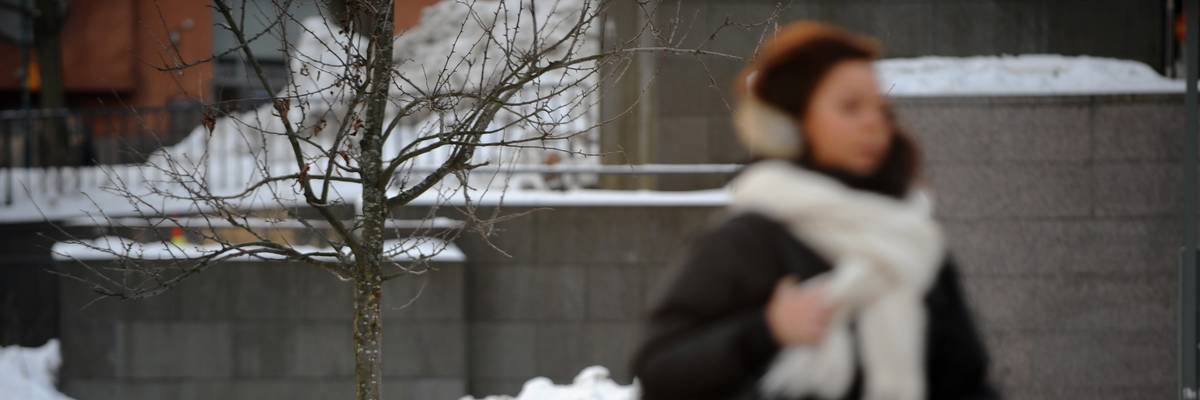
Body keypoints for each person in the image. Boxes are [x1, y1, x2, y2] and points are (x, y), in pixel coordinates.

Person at [631, 21, 998, 400]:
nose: (874, 122)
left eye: (882, 109)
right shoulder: (751, 239)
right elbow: (659, 370)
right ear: (793, 122)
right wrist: (766, 330)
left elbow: (967, 382)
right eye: (850, 107)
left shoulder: (912, 238)